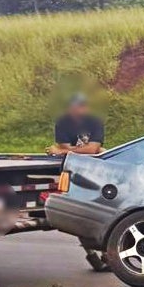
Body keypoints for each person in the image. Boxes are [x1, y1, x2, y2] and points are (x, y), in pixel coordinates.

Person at [47, 94, 108, 271]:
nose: (78, 112)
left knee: (101, 212)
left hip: (96, 171)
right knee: (79, 213)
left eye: (82, 107)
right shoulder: (63, 122)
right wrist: (80, 151)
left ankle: (106, 254)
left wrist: (70, 151)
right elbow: (65, 151)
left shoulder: (95, 121)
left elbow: (93, 149)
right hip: (73, 170)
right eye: (75, 108)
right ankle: (93, 254)